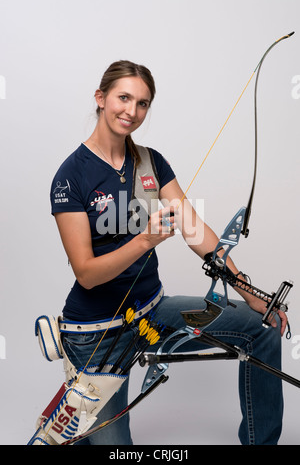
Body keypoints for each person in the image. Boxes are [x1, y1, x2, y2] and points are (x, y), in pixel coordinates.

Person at [50, 60, 287, 445]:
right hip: (96, 331)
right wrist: (144, 240)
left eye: (142, 103)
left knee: (262, 330)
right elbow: (87, 273)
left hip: (153, 312)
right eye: (123, 98)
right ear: (101, 98)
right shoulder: (70, 177)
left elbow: (198, 234)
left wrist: (250, 293)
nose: (132, 111)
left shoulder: (151, 162)